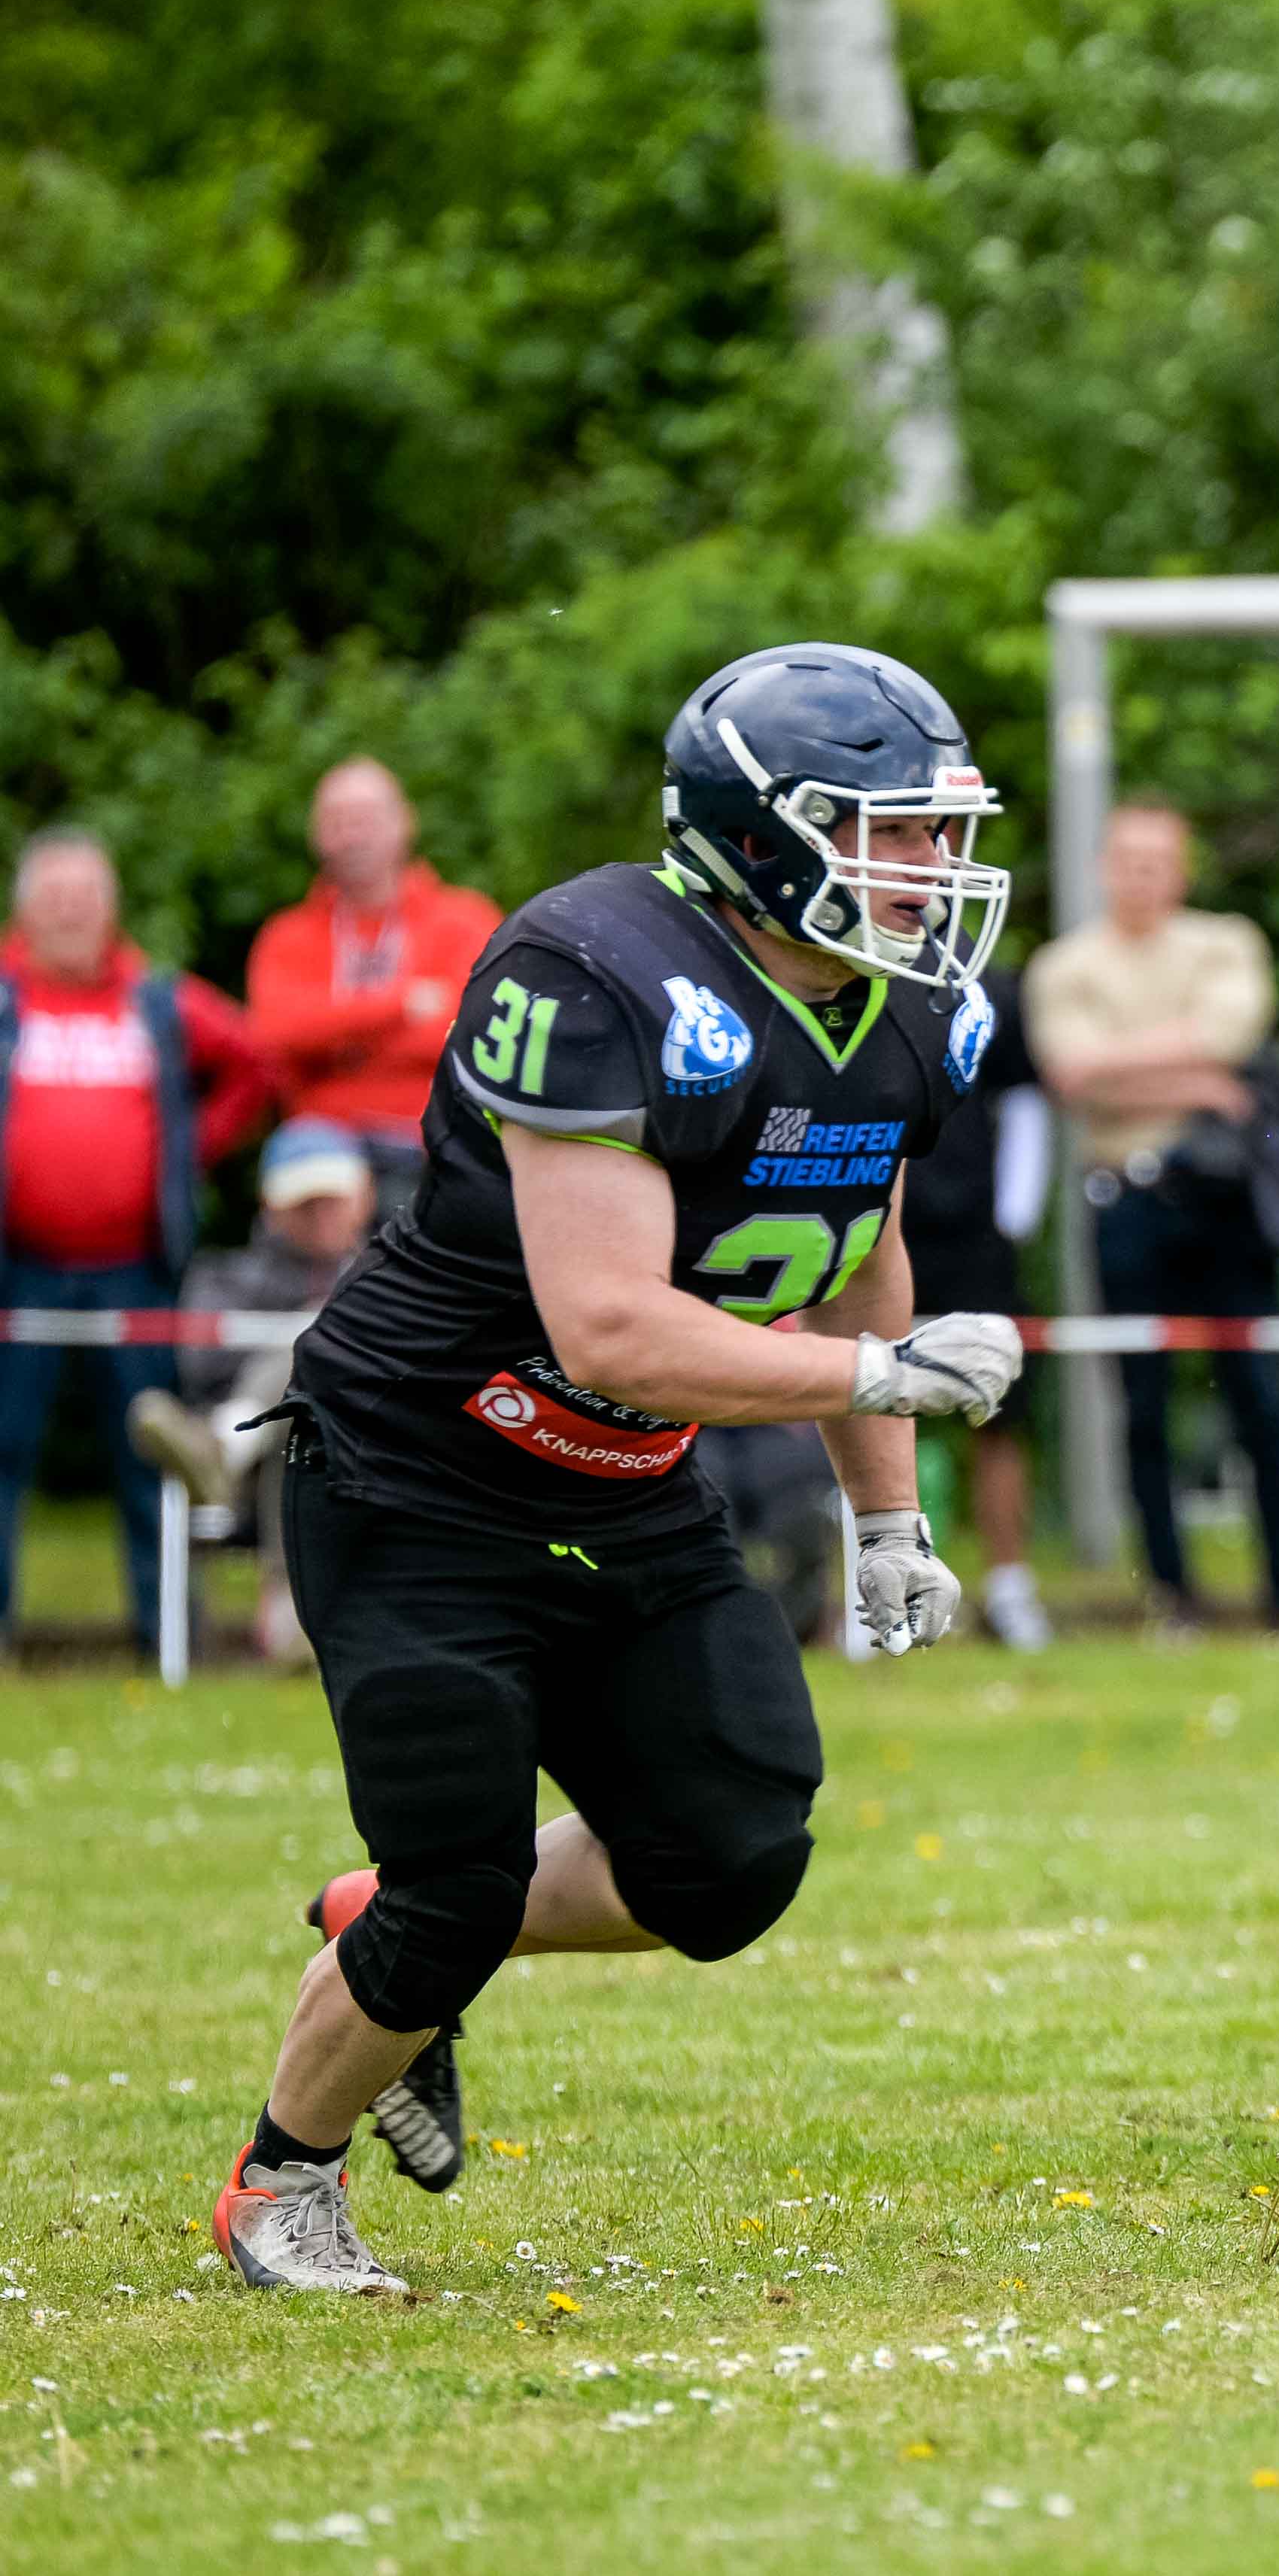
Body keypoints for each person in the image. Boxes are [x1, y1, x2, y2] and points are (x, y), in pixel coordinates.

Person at [218, 642, 1025, 2294]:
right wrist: (879, 1375)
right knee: (460, 1877)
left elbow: (857, 1243)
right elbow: (608, 1329)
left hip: (619, 1480)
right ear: (759, 831)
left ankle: (382, 1925)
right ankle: (281, 2180)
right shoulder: (594, 968)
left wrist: (887, 1508)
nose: (930, 870)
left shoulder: (911, 1003)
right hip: (418, 1469)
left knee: (728, 1856)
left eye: (941, 832)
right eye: (888, 830)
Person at [1028, 802, 1279, 1629]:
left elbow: (1233, 1036)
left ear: (1181, 870)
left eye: (1157, 860)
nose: (1140, 875)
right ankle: (1172, 1597)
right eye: (1126, 859)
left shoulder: (1225, 941)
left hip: (1226, 1200)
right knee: (1142, 1405)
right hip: (1125, 1197)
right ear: (1101, 866)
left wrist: (1126, 1067)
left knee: (1264, 1395)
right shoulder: (1064, 964)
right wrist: (1192, 1076)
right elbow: (1071, 1070)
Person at [2, 829, 272, 1645]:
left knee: (149, 1453)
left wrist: (184, 1152)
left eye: (85, 895)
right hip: (19, 1270)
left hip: (137, 1271)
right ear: (25, 910)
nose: (71, 912)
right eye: (54, 896)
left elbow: (255, 1061)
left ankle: (167, 1631)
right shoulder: (7, 996)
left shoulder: (156, 999)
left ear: (111, 907)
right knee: (4, 1450)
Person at [129, 1119, 383, 1655]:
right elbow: (200, 1365)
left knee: (311, 1353)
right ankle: (289, 1621)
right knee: (301, 1401)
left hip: (369, 1453)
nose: (319, 1213)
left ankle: (221, 1446)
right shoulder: (225, 1276)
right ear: (271, 1205)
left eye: (331, 1198)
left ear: (365, 1198)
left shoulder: (391, 1275)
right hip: (271, 1464)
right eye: (304, 1200)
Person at [245, 758, 502, 1213]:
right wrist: (400, 1008)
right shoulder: (288, 936)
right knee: (310, 1171)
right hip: (324, 1151)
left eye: (365, 819)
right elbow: (275, 1036)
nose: (352, 836)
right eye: (336, 822)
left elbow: (475, 1035)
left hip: (431, 1138)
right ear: (316, 835)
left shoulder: (465, 921)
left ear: (405, 823)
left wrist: (336, 1043)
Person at [892, 959, 1055, 1651]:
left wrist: (1012, 1215)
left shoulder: (990, 982)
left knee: (999, 1412)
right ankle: (882, 1592)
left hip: (974, 1237)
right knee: (874, 1404)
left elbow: (1025, 1100)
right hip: (876, 1228)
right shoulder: (829, 963)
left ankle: (1009, 1587)